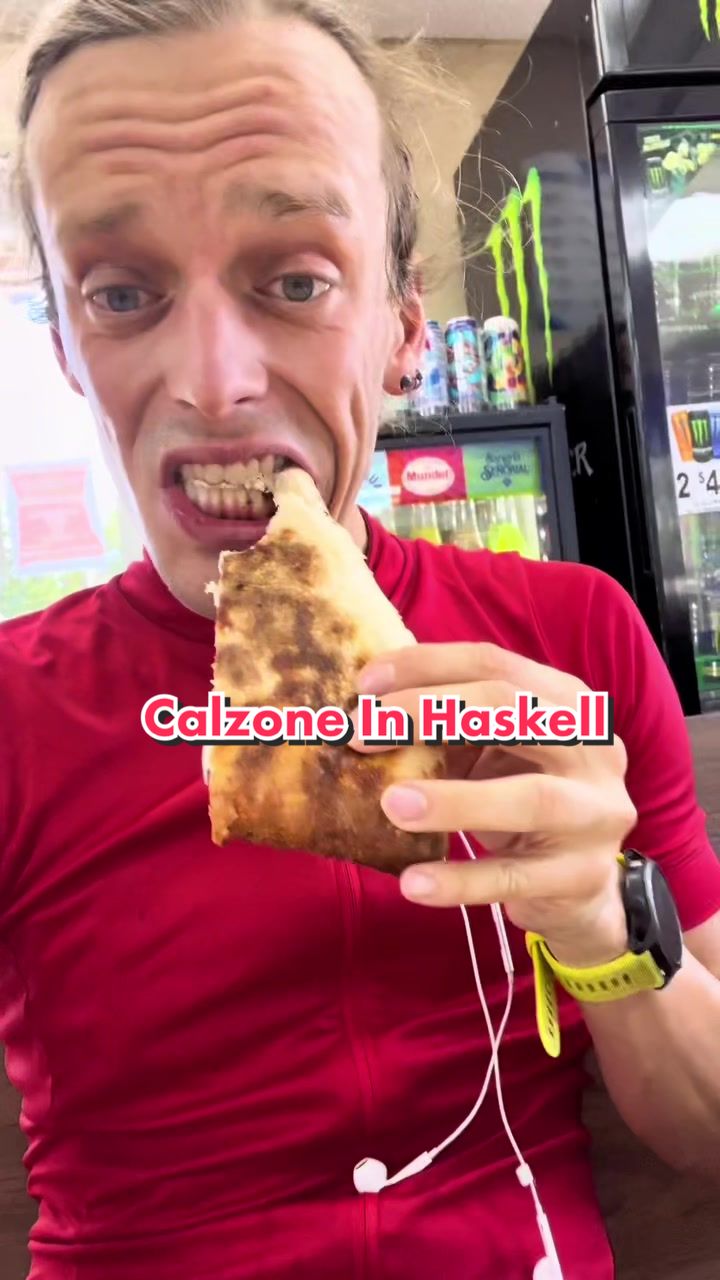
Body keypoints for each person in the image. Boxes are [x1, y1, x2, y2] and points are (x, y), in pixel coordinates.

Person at [1, 2, 719, 1278]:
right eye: (120, 292)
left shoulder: (572, 641)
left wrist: (601, 924)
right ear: (63, 339)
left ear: (404, 329)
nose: (213, 379)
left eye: (296, 281)